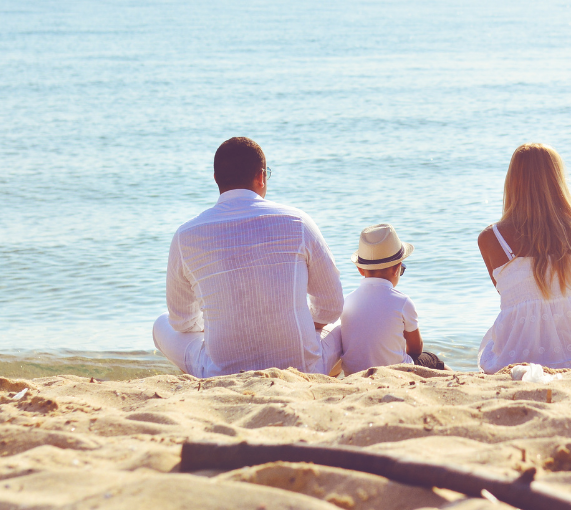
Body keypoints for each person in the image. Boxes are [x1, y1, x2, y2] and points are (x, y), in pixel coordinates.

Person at [152, 137, 344, 378]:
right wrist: (304, 323)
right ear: (261, 176)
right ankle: (325, 381)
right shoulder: (298, 222)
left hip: (221, 374)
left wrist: (219, 325)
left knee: (161, 324)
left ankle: (199, 383)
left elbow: (181, 321)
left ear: (216, 179)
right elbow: (332, 306)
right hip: (302, 370)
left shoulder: (186, 235)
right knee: (345, 322)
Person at [476, 143, 571, 374]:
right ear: (557, 180)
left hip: (516, 353)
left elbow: (511, 297)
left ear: (512, 181)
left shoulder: (491, 238)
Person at [338, 223, 445, 374]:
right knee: (432, 360)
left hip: (354, 374)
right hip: (395, 372)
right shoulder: (403, 302)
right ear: (397, 268)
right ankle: (464, 378)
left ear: (360, 269)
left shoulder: (347, 301)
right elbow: (416, 349)